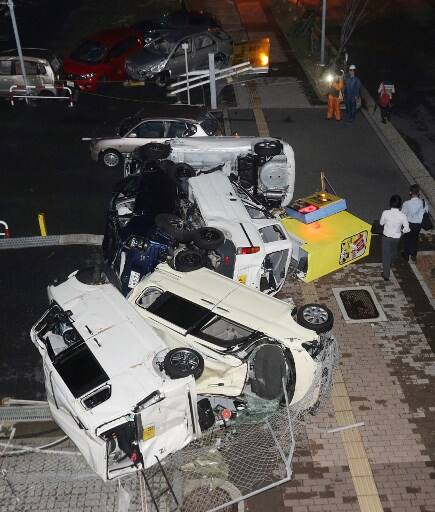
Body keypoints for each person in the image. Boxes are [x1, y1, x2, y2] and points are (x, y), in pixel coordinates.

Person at [380, 194, 409, 281]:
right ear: (400, 204)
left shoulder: (385, 213)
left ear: (390, 203)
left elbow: (381, 223)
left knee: (386, 255)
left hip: (386, 237)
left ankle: (386, 275)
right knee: (393, 252)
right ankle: (390, 263)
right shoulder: (402, 216)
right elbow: (407, 228)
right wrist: (401, 232)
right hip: (396, 237)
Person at [401, 184, 428, 262]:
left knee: (407, 239)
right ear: (419, 192)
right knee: (415, 239)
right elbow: (426, 211)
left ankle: (406, 255)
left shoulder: (406, 203)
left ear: (410, 192)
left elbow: (403, 214)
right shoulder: (423, 202)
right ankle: (413, 255)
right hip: (418, 225)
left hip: (409, 224)